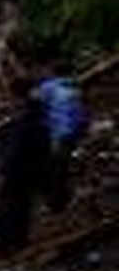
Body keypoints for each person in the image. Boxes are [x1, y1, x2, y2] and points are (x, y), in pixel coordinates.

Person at [0, 75, 48, 255]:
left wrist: (3, 169)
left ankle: (3, 244)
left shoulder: (23, 114)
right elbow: (43, 142)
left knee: (7, 204)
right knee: (24, 204)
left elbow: (15, 147)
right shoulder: (40, 111)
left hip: (16, 168)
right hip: (33, 167)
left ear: (14, 94)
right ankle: (19, 241)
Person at [37, 62, 87, 214]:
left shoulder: (47, 87)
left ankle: (53, 203)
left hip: (54, 133)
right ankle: (59, 200)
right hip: (70, 133)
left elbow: (37, 107)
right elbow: (80, 113)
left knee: (51, 168)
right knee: (61, 168)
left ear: (53, 72)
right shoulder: (75, 88)